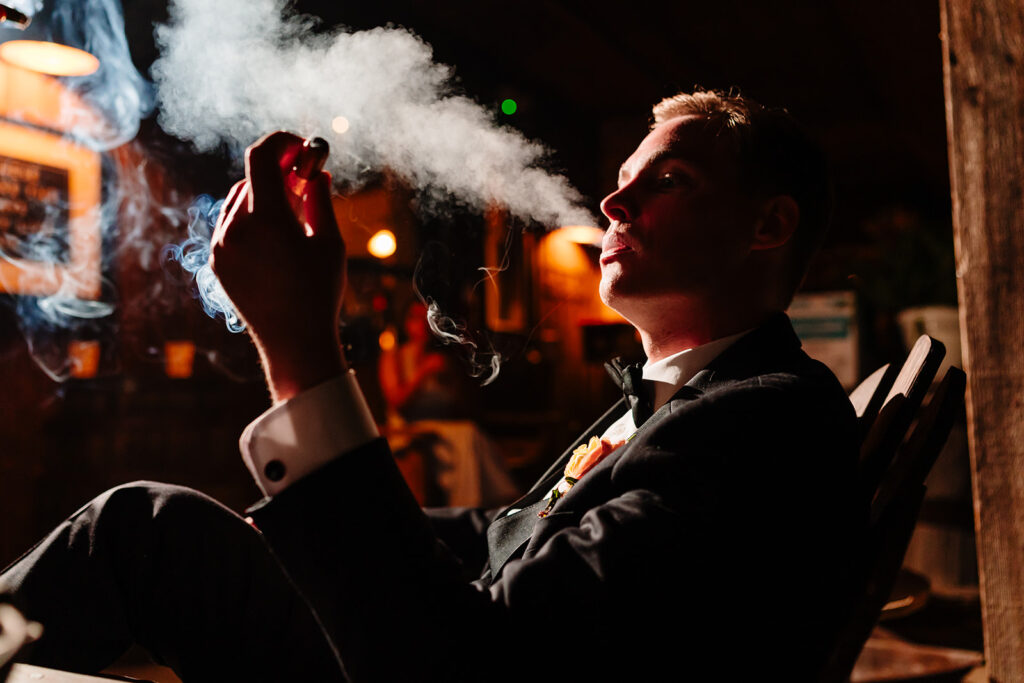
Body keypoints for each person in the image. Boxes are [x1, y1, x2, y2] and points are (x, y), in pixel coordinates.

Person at [1, 89, 865, 681]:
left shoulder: (763, 421)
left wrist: (301, 349)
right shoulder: (710, 400)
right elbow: (504, 537)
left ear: (769, 224)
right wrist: (293, 535)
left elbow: (468, 665)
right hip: (426, 639)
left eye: (669, 180)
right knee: (162, 529)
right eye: (624, 178)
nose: (615, 200)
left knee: (137, 531)